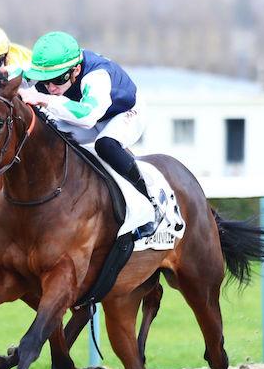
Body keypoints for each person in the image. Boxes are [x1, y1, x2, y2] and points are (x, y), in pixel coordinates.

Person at [19, 31, 160, 239]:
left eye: (57, 79)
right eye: (44, 80)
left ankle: (152, 202)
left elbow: (87, 117)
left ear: (75, 70)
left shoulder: (96, 76)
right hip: (88, 115)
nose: (50, 87)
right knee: (49, 139)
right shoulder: (51, 71)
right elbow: (10, 76)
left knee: (106, 145)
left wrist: (43, 99)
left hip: (123, 113)